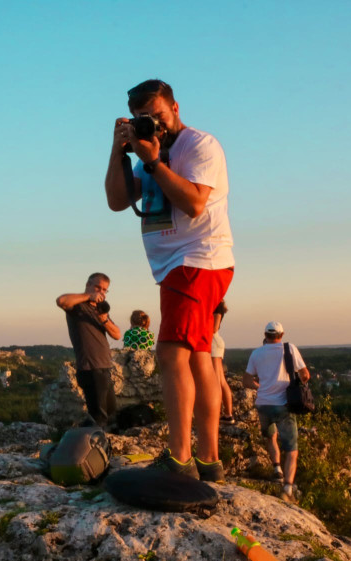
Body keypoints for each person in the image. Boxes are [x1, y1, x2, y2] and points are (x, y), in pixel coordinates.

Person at [104, 79, 234, 482]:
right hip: (178, 266)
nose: (154, 126)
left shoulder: (199, 145)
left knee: (170, 353)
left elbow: (195, 202)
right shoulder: (147, 154)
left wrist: (156, 162)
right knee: (198, 359)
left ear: (175, 107)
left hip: (197, 260)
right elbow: (116, 200)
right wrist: (120, 151)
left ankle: (180, 459)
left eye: (158, 117)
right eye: (144, 120)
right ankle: (209, 460)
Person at [243, 321, 310, 503]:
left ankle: (277, 470)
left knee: (270, 437)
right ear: (282, 334)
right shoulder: (289, 349)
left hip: (263, 403)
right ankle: (287, 487)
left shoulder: (256, 353)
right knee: (291, 448)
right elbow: (305, 374)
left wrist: (261, 386)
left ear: (265, 335)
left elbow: (247, 380)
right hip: (284, 405)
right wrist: (296, 386)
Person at [56, 273, 122, 427]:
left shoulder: (99, 310)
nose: (101, 292)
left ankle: (92, 438)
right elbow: (61, 300)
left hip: (104, 367)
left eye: (105, 290)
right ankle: (93, 445)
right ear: (88, 285)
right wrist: (88, 296)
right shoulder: (78, 306)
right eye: (97, 287)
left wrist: (104, 318)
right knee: (99, 417)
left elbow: (117, 334)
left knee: (110, 409)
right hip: (90, 367)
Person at [212, 300, 235, 424]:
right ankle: (228, 415)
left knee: (215, 381)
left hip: (212, 343)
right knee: (221, 381)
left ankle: (217, 414)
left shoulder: (217, 306)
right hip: (215, 342)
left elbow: (214, 328)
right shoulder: (218, 306)